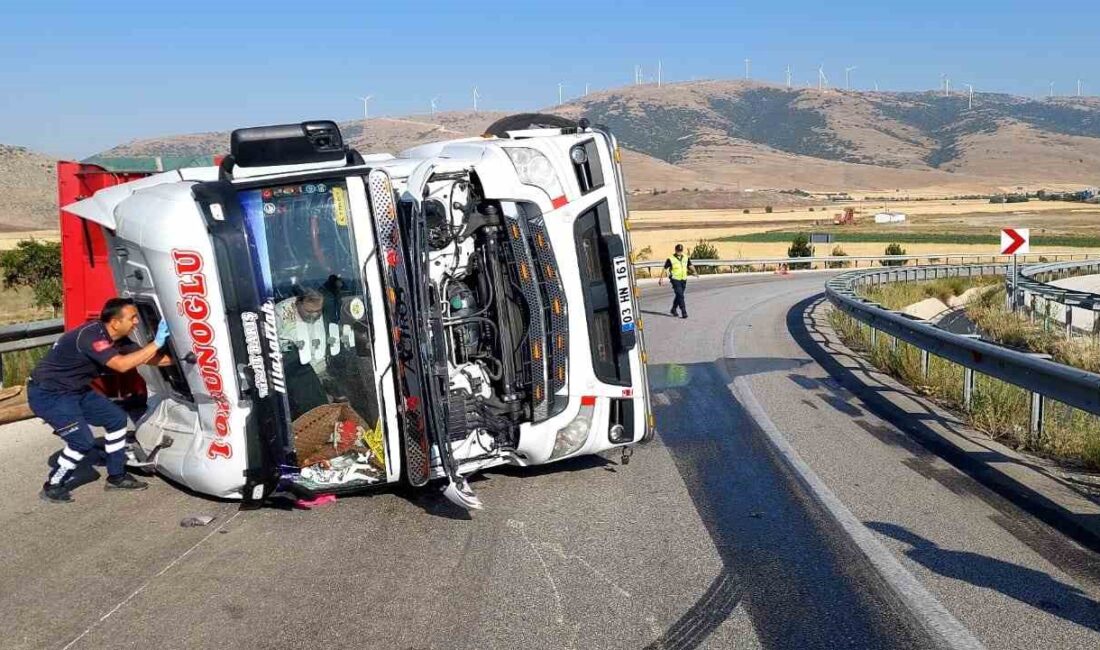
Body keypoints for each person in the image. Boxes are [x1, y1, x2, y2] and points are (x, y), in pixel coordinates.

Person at [29, 298, 173, 503]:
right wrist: (156, 343)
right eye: (132, 318)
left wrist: (184, 359)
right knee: (82, 442)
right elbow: (122, 365)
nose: (136, 323)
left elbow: (147, 358)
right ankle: (53, 485)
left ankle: (116, 476)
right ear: (115, 322)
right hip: (49, 393)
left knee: (115, 419)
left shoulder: (119, 339)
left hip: (76, 390)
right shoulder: (91, 337)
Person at [658, 243, 697, 318]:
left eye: (680, 251)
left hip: (683, 279)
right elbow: (665, 268)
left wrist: (695, 272)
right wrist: (661, 279)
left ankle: (673, 309)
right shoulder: (671, 259)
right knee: (681, 296)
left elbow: (690, 265)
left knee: (679, 295)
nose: (679, 252)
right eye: (678, 251)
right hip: (675, 279)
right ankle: (684, 311)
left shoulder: (686, 257)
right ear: (675, 250)